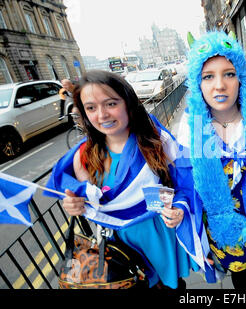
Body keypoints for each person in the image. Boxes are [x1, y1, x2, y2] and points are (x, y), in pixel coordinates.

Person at [46, 70, 198, 289]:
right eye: (91, 108)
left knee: (170, 287)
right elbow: (89, 201)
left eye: (110, 104)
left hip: (157, 237)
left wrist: (179, 209)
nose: (102, 115)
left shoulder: (155, 141)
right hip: (120, 245)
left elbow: (182, 185)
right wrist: (74, 204)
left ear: (127, 102)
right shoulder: (84, 157)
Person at [175, 31, 246, 288]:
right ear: (197, 83)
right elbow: (183, 183)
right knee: (241, 284)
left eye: (229, 73)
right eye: (208, 76)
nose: (219, 85)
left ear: (240, 77)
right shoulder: (190, 126)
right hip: (224, 234)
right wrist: (179, 209)